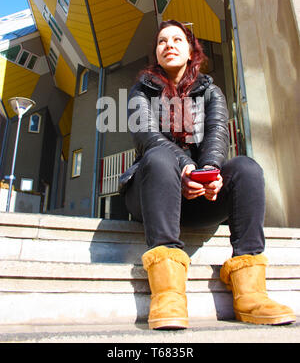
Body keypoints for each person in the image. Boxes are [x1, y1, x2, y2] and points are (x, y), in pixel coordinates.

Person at [119, 19, 296, 330]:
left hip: (200, 197)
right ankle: (168, 294)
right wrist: (184, 167)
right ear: (156, 53)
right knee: (160, 156)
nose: (169, 45)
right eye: (162, 41)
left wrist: (209, 173)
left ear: (191, 51)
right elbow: (146, 137)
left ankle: (251, 293)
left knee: (246, 169)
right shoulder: (139, 91)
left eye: (177, 40)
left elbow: (217, 135)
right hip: (152, 194)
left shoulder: (210, 92)